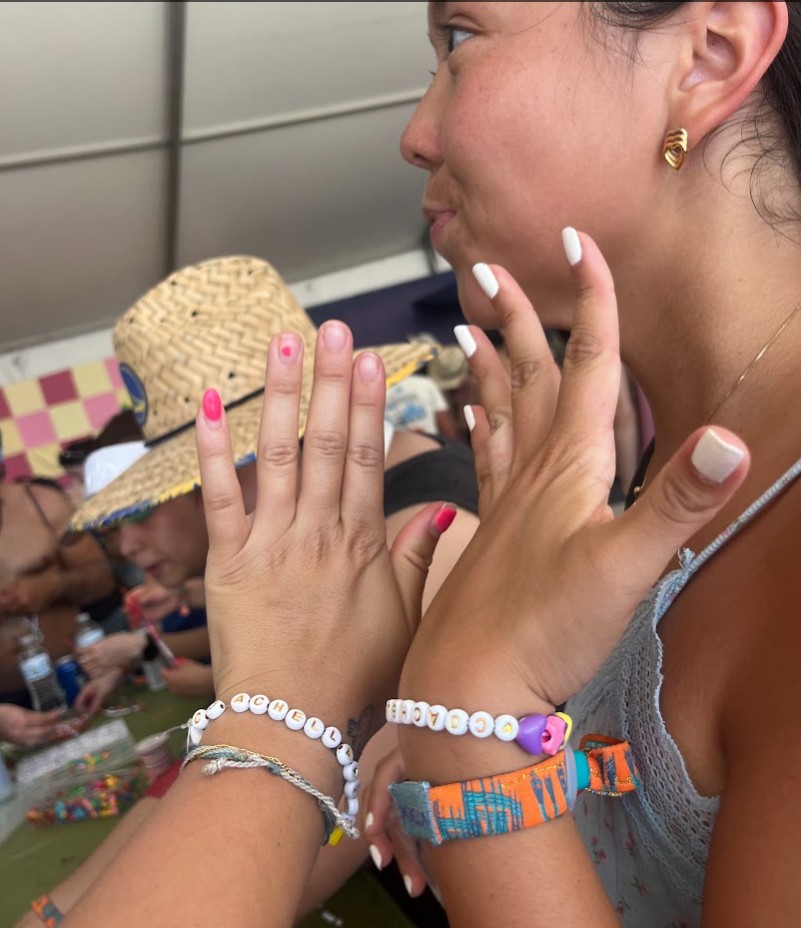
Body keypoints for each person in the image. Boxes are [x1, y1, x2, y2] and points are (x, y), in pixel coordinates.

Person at [14, 256, 478, 928]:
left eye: (193, 483)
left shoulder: (426, 538)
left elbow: (295, 857)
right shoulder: (356, 531)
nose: (203, 507)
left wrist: (60, 910)